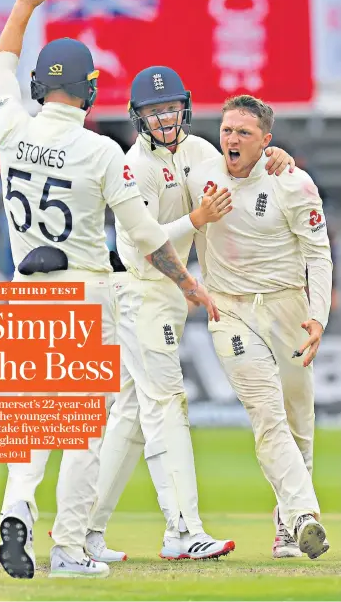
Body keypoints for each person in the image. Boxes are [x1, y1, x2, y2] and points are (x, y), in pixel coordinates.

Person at [0, 0, 219, 579]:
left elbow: (1, 65)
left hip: (23, 292)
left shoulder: (9, 127)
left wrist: (24, 8)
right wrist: (188, 272)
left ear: (42, 86)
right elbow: (146, 239)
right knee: (84, 433)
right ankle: (66, 546)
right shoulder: (102, 151)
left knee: (33, 421)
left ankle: (16, 509)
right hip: (87, 293)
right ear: (90, 90)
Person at [85, 68, 295, 561]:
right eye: (153, 111)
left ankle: (83, 527)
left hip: (171, 296)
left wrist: (273, 155)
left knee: (133, 415)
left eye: (171, 108)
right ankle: (182, 531)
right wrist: (197, 224)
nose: (164, 119)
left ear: (186, 107)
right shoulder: (134, 165)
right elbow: (145, 244)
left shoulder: (201, 151)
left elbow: (245, 170)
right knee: (168, 404)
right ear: (138, 117)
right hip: (142, 290)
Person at [184, 94, 332, 560]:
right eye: (227, 130)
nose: (231, 139)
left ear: (266, 141)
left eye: (244, 133)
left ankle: (287, 527)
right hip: (230, 310)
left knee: (297, 423)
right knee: (266, 416)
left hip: (288, 307)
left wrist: (319, 316)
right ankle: (304, 516)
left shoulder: (293, 182)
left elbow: (318, 254)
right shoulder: (202, 173)